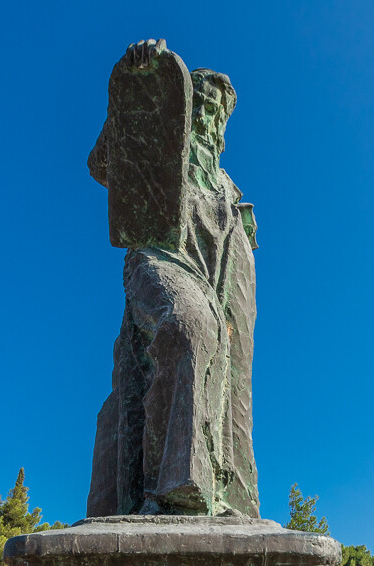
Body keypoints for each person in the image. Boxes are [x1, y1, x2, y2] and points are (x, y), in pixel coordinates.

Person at [87, 39, 260, 518]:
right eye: (201, 105)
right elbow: (103, 165)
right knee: (187, 328)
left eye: (217, 114)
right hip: (157, 258)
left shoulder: (229, 190)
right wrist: (137, 90)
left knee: (220, 363)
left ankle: (216, 490)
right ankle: (169, 490)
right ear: (185, 109)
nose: (209, 119)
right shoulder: (163, 149)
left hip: (212, 282)